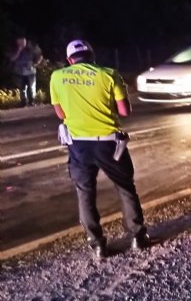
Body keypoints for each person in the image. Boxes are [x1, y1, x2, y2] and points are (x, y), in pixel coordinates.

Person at [50, 40, 150, 258]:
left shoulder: (57, 77)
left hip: (78, 146)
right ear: (92, 56)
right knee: (125, 187)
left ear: (69, 61)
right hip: (109, 143)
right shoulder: (109, 74)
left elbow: (61, 114)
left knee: (85, 193)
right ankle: (137, 237)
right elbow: (124, 111)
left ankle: (97, 245)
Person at [7, 36, 43, 107]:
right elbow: (12, 59)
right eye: (19, 41)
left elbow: (40, 56)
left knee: (32, 86)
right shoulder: (14, 48)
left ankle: (32, 101)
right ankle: (24, 102)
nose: (21, 43)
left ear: (25, 41)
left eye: (23, 41)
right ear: (17, 41)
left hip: (30, 70)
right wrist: (19, 51)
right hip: (19, 71)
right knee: (22, 87)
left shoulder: (31, 48)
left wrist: (36, 64)